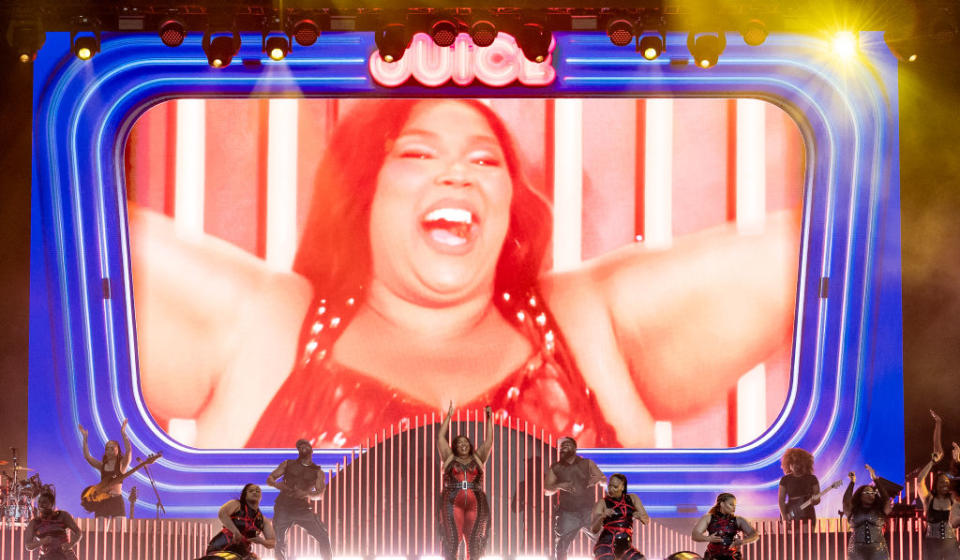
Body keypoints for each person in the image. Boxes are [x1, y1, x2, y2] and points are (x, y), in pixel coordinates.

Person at [129, 98, 800, 449]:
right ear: (365, 193)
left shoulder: (585, 322)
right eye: (417, 153)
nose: (457, 171)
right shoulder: (270, 327)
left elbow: (814, 253)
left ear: (511, 206)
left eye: (486, 162)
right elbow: (55, 220)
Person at [266, 439, 342, 560]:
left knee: (323, 537)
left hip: (302, 509)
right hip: (283, 507)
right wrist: (277, 484)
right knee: (279, 542)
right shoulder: (287, 464)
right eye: (299, 447)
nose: (302, 448)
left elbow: (320, 493)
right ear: (298, 450)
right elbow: (270, 478)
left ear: (311, 448)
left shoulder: (317, 471)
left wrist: (306, 493)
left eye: (305, 445)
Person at [437, 402, 494, 560]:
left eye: (465, 442)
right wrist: (449, 416)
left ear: (469, 445)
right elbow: (440, 437)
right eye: (458, 443)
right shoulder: (449, 458)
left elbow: (489, 441)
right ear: (454, 446)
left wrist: (489, 419)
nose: (462, 445)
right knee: (452, 540)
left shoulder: (478, 458)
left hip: (476, 502)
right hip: (452, 501)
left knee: (475, 541)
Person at [544, 436, 606, 560]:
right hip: (567, 512)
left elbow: (604, 480)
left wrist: (597, 479)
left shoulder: (587, 463)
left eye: (567, 444)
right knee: (562, 544)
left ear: (574, 447)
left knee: (603, 542)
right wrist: (560, 485)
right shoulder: (556, 468)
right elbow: (547, 490)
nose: (563, 447)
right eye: (561, 446)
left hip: (588, 511)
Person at [916, 427, 960, 560]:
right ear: (936, 484)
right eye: (940, 481)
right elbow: (918, 481)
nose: (944, 483)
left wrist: (958, 461)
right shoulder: (929, 499)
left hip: (951, 545)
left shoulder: (954, 499)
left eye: (946, 481)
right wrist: (932, 461)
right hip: (932, 545)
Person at [207, 483, 276, 560]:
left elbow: (272, 542)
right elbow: (222, 513)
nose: (255, 492)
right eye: (251, 490)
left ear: (260, 497)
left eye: (258, 491)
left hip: (242, 554)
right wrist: (235, 531)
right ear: (245, 495)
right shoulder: (236, 505)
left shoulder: (262, 520)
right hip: (220, 549)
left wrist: (261, 541)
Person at [78, 419, 132, 518]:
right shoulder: (102, 465)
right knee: (100, 531)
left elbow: (128, 451)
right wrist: (85, 438)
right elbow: (87, 457)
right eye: (107, 448)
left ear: (117, 450)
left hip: (116, 500)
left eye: (112, 448)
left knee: (120, 532)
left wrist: (123, 433)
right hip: (102, 501)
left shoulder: (122, 465)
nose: (109, 450)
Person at [778, 448, 821, 521]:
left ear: (803, 464)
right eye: (792, 463)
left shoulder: (812, 479)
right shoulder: (785, 480)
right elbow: (781, 500)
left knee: (808, 532)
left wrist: (814, 501)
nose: (795, 466)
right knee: (795, 532)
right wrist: (784, 516)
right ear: (788, 464)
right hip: (791, 512)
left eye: (797, 463)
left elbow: (817, 499)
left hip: (808, 513)